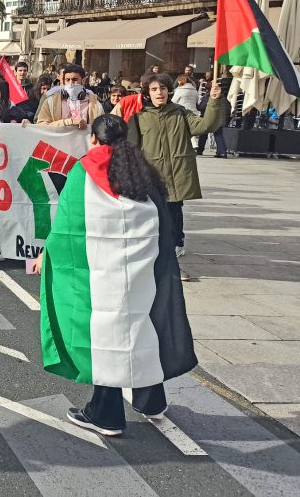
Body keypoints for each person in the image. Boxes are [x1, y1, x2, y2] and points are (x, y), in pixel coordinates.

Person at [36, 114, 196, 437]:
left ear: (93, 140)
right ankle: (151, 400)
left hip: (99, 273)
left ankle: (106, 413)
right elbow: (163, 221)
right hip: (141, 270)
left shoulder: (83, 171)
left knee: (103, 338)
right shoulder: (140, 171)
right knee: (141, 327)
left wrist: (48, 253)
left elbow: (68, 228)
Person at [128, 72, 227, 266]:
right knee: (152, 214)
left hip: (176, 175)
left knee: (174, 211)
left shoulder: (181, 112)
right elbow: (131, 150)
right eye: (154, 89)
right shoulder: (139, 118)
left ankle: (176, 244)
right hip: (151, 177)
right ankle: (153, 247)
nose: (159, 93)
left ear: (169, 90)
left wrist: (214, 101)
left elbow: (206, 125)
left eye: (163, 88)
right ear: (147, 92)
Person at [36, 64, 104, 129]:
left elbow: (102, 128)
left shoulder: (95, 105)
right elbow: (41, 126)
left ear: (83, 81)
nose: (71, 83)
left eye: (74, 80)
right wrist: (68, 122)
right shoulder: (51, 101)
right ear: (63, 81)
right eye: (68, 80)